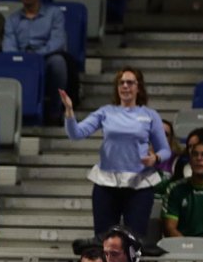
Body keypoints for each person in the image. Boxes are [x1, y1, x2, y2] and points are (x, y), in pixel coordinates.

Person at [62, 67, 170, 239]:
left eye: (130, 82)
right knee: (104, 240)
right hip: (106, 183)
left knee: (134, 240)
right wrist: (69, 110)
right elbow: (75, 134)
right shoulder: (105, 112)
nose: (125, 86)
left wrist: (155, 158)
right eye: (121, 83)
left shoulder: (150, 115)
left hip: (139, 184)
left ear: (139, 87)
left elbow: (165, 150)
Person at [3, 0, 71, 124]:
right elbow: (8, 46)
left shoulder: (54, 14)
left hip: (46, 57)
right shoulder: (12, 19)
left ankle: (55, 112)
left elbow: (58, 42)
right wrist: (22, 58)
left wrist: (36, 56)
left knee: (58, 62)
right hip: (21, 59)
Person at [162, 130, 203, 241]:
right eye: (195, 154)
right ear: (190, 160)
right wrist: (188, 246)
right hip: (180, 246)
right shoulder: (174, 189)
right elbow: (169, 227)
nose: (199, 159)